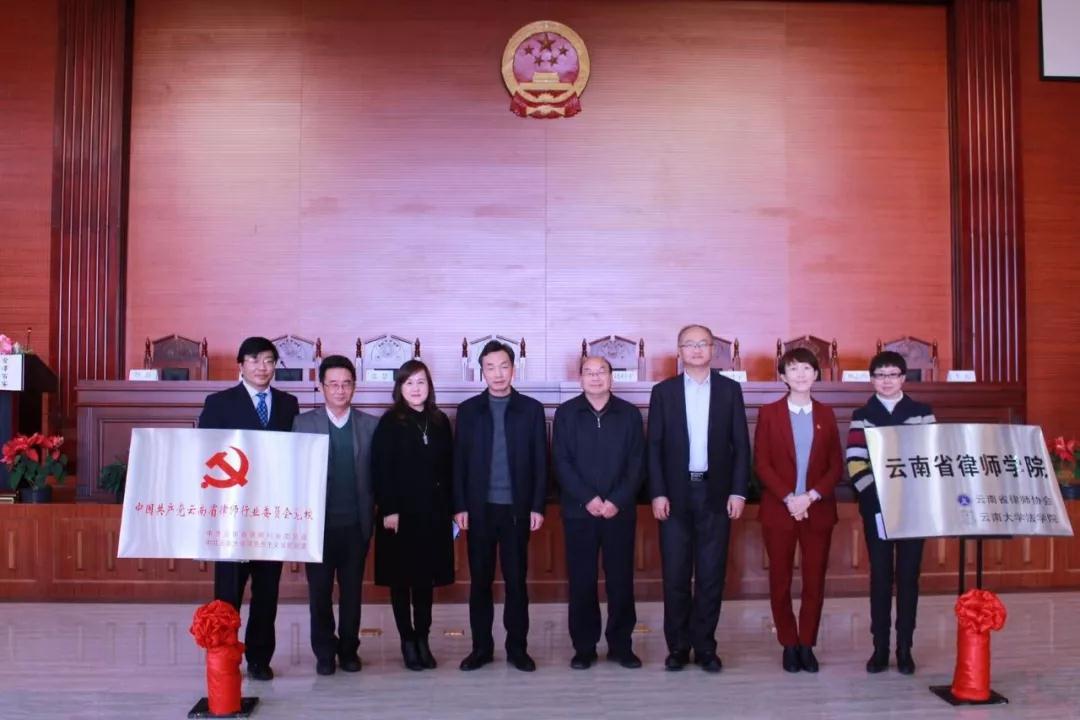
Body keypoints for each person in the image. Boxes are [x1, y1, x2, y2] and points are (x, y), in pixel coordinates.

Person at [647, 324, 750, 673]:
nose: (695, 350)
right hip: (674, 496)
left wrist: (738, 491)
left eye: (702, 344)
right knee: (675, 575)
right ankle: (678, 647)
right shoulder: (664, 392)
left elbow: (741, 446)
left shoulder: (729, 390)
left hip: (716, 494)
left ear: (713, 350)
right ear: (679, 351)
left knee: (710, 574)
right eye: (688, 344)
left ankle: (705, 646)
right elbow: (654, 447)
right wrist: (658, 492)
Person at [198, 336, 300, 681]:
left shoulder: (288, 403)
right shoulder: (219, 403)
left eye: (269, 360)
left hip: (271, 514)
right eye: (254, 360)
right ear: (240, 365)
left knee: (267, 592)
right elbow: (203, 453)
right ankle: (224, 657)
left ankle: (259, 658)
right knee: (228, 593)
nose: (262, 367)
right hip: (232, 515)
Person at [453, 340, 547, 672]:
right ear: (482, 372)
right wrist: (460, 506)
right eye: (490, 367)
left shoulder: (531, 409)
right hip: (479, 510)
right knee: (480, 582)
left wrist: (537, 506)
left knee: (516, 582)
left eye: (503, 366)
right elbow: (459, 463)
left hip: (516, 510)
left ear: (513, 369)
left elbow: (541, 461)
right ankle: (481, 648)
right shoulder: (468, 410)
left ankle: (517, 649)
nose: (497, 373)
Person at [846, 350, 936, 675]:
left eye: (893, 374)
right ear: (872, 380)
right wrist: (878, 497)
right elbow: (855, 461)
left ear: (903, 378)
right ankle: (880, 648)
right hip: (877, 508)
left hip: (914, 508)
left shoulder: (921, 413)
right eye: (880, 375)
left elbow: (932, 457)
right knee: (881, 577)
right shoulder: (863, 415)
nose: (886, 381)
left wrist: (911, 496)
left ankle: (905, 648)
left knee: (909, 577)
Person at [553, 356, 645, 670]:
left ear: (611, 377)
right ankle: (584, 647)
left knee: (621, 581)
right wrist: (588, 499)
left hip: (619, 512)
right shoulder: (566, 414)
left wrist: (616, 500)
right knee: (582, 581)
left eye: (601, 372)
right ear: (580, 379)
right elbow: (561, 462)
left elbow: (637, 463)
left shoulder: (629, 414)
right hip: (579, 512)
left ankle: (621, 645)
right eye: (589, 373)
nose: (595, 378)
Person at [753, 347, 842, 673]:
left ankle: (807, 643)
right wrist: (790, 498)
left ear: (816, 374)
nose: (801, 374)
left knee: (814, 580)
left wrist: (811, 497)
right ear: (783, 376)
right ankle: (788, 643)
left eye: (807, 368)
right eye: (793, 369)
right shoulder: (769, 413)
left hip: (817, 510)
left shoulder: (827, 414)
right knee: (780, 580)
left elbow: (835, 466)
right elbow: (762, 464)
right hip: (780, 510)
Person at [292, 355, 378, 676]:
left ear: (354, 387)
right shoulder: (303, 424)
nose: (340, 390)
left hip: (356, 524)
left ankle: (349, 650)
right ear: (321, 387)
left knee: (352, 593)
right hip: (317, 527)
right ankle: (325, 652)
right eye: (333, 384)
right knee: (319, 594)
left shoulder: (370, 425)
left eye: (346, 384)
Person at [372, 360, 454, 671]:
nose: (416, 388)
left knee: (425, 581)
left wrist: (450, 509)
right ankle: (407, 640)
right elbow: (381, 469)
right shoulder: (390, 422)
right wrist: (389, 509)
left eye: (421, 382)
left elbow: (449, 468)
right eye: (409, 383)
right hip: (400, 515)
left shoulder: (439, 421)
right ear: (400, 388)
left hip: (433, 514)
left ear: (429, 386)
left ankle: (423, 638)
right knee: (401, 580)